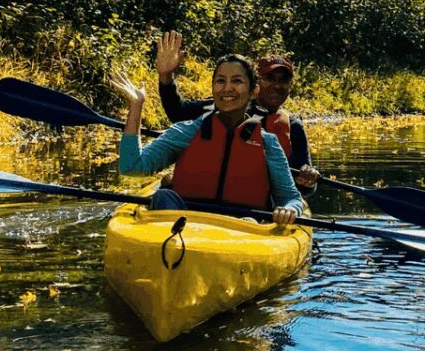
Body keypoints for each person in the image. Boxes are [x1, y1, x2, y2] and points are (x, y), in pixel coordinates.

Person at [111, 54, 303, 225]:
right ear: (213, 88)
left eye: (237, 81)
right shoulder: (187, 132)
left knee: (250, 221)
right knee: (163, 196)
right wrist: (136, 106)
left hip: (243, 229)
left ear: (254, 91)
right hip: (181, 226)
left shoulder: (267, 143)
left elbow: (291, 197)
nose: (227, 88)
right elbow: (131, 166)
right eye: (220, 81)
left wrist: (290, 209)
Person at [155, 31, 320, 195]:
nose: (277, 86)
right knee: (168, 182)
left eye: (283, 80)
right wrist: (166, 77)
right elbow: (177, 113)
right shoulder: (224, 105)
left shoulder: (294, 127)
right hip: (203, 195)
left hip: (256, 209)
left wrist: (307, 179)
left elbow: (304, 188)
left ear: (290, 86)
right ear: (255, 83)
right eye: (269, 78)